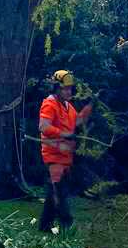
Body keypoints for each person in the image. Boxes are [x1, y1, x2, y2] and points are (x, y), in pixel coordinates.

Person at [38, 69, 92, 233]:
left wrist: (90, 106)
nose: (69, 91)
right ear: (56, 88)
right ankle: (67, 226)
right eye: (65, 89)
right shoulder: (50, 103)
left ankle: (44, 226)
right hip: (53, 154)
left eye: (70, 89)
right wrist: (63, 134)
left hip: (65, 156)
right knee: (59, 192)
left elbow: (78, 121)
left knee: (54, 192)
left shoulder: (68, 106)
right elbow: (43, 126)